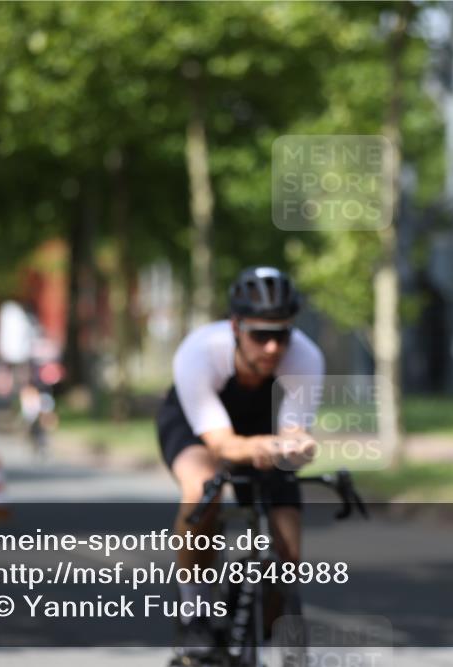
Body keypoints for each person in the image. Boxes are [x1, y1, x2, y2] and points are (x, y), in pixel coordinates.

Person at [156, 266, 324, 664]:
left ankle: (257, 621)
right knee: (202, 488)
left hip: (264, 423)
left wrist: (299, 447)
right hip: (199, 426)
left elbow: (293, 432)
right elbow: (222, 444)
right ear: (235, 327)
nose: (271, 348)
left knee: (288, 553)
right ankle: (195, 612)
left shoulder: (306, 357)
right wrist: (266, 446)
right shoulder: (199, 351)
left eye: (281, 334)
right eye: (260, 335)